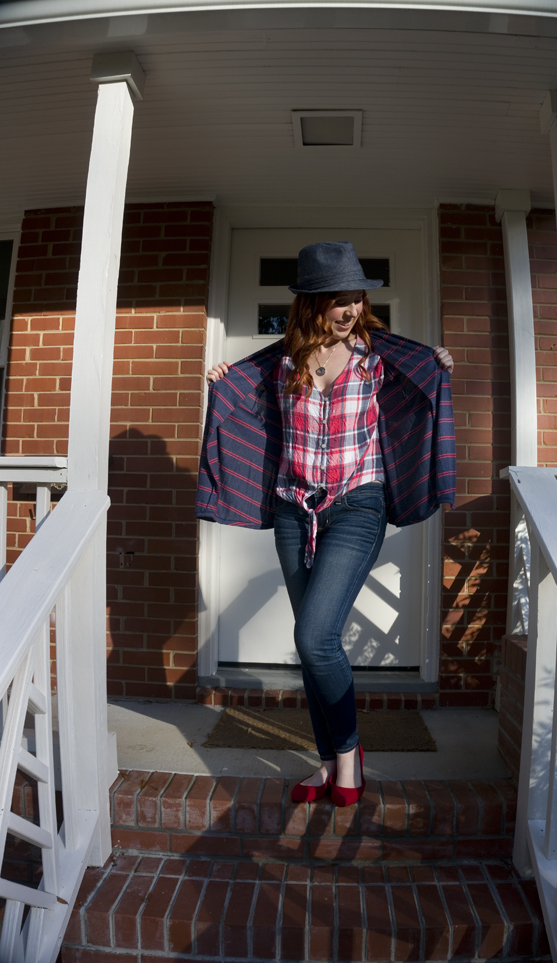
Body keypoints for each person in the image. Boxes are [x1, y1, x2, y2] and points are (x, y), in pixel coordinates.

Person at [197, 241, 455, 807]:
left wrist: (435, 365)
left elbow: (421, 383)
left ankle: (348, 755)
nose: (351, 311)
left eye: (357, 299)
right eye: (340, 300)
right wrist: (223, 378)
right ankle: (328, 759)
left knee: (316, 637)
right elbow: (241, 399)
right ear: (312, 303)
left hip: (359, 506)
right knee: (311, 643)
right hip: (294, 509)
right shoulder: (281, 363)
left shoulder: (378, 359)